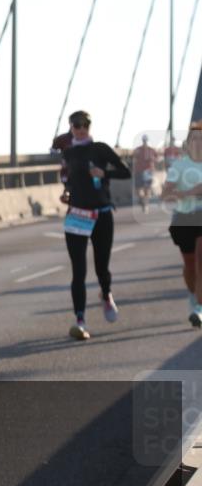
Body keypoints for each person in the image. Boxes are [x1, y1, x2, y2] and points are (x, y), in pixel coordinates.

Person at [59, 110, 130, 341]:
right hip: (77, 215)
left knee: (102, 266)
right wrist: (67, 193)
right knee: (78, 270)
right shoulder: (68, 153)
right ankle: (80, 320)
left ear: (90, 126)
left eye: (85, 125)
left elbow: (125, 171)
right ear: (71, 127)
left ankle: (106, 294)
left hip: (101, 214)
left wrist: (104, 171)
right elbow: (69, 180)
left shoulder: (100, 149)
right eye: (77, 125)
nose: (81, 128)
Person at [162, 122, 202, 329]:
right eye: (194, 139)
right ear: (188, 143)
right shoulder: (179, 166)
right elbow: (166, 194)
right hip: (184, 219)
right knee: (190, 265)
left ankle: (200, 309)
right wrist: (187, 193)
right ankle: (193, 297)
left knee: (200, 259)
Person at [132, 134, 159, 212]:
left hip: (148, 171)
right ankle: (142, 200)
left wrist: (153, 160)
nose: (145, 142)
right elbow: (133, 157)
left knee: (147, 189)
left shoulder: (151, 150)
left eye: (146, 140)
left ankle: (146, 204)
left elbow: (157, 158)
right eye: (144, 140)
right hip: (139, 171)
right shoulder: (138, 149)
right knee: (138, 189)